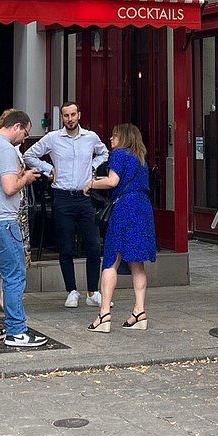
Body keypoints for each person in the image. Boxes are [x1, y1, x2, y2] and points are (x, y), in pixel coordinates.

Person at [0, 109, 47, 349]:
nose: (24, 139)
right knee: (15, 274)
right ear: (17, 127)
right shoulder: (3, 148)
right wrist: (26, 178)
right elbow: (9, 188)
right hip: (1, 220)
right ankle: (16, 331)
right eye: (25, 133)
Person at [24, 101, 109, 309]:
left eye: (73, 115)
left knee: (92, 244)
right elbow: (29, 155)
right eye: (66, 116)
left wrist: (93, 166)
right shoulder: (53, 138)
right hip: (62, 196)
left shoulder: (90, 137)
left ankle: (93, 291)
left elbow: (104, 153)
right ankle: (71, 290)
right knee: (66, 246)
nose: (70, 119)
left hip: (85, 195)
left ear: (79, 115)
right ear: (61, 118)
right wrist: (49, 169)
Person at [85, 122, 156, 333]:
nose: (111, 140)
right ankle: (139, 312)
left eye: (114, 136)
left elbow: (112, 181)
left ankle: (104, 314)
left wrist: (91, 183)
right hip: (143, 207)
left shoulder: (120, 154)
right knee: (137, 262)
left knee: (111, 259)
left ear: (123, 137)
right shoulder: (141, 158)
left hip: (125, 207)